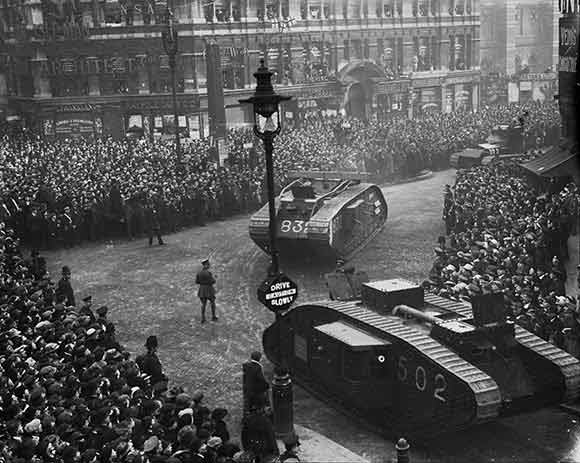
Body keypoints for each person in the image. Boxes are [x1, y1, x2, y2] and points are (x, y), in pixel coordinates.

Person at [195, 258, 217, 323]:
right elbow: (212, 282)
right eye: (208, 264)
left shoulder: (199, 273)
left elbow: (197, 282)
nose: (209, 265)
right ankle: (213, 316)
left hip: (202, 290)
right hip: (209, 290)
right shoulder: (208, 273)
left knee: (203, 304)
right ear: (206, 265)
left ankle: (203, 318)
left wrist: (202, 283)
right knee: (212, 303)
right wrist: (214, 278)